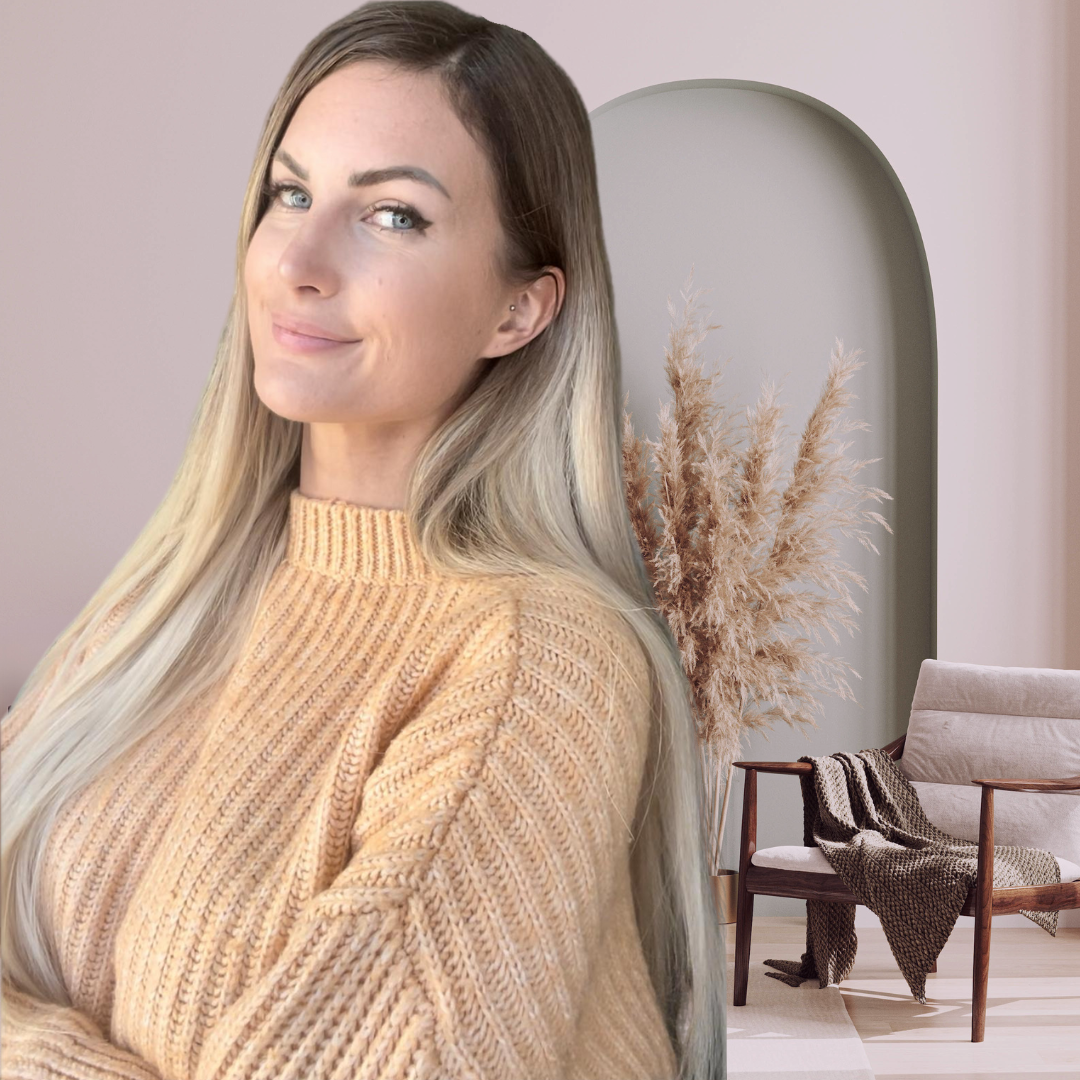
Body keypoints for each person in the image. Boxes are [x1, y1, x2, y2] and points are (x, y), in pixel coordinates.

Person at [0, 3, 726, 1078]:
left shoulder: (542, 658)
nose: (297, 259)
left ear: (518, 312)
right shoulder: (164, 606)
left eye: (391, 216)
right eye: (290, 193)